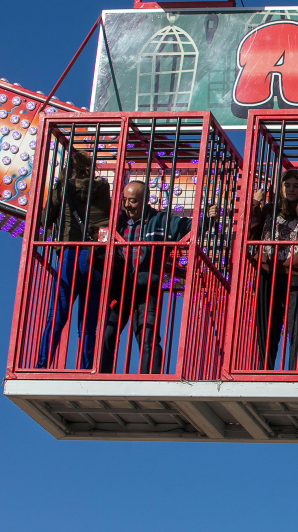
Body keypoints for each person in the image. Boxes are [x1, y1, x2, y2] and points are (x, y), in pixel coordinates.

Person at [102, 180, 217, 374]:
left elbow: (190, 228)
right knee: (107, 334)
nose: (127, 205)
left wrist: (208, 218)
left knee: (148, 336)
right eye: (125, 200)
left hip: (147, 287)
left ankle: (150, 378)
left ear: (145, 200)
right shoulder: (117, 220)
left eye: (133, 201)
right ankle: (101, 375)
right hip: (120, 286)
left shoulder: (161, 220)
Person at [38, 150, 111, 370]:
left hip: (69, 254)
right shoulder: (102, 188)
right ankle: (86, 369)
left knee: (57, 316)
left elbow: (44, 219)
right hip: (95, 256)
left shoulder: (62, 188)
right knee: (89, 324)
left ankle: (42, 366)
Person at [247, 169, 298, 371]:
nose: (292, 189)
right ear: (280, 188)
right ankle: (263, 369)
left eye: (296, 186)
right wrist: (255, 204)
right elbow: (251, 233)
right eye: (288, 186)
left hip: (294, 273)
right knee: (267, 324)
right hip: (268, 271)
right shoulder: (269, 209)